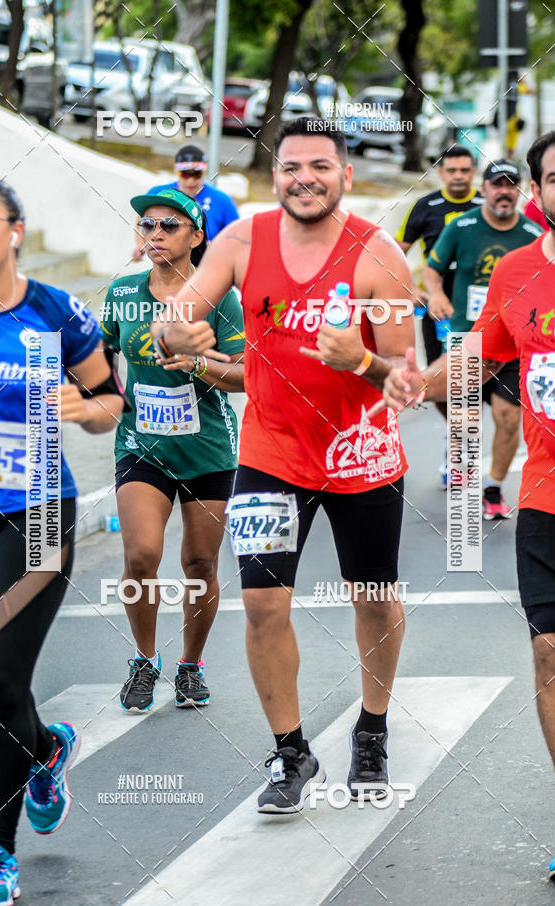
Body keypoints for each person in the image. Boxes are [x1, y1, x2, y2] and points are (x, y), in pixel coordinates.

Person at [150, 118, 415, 814]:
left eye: (321, 166)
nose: (306, 179)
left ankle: (372, 728)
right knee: (264, 604)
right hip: (270, 454)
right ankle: (291, 752)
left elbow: (409, 380)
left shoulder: (378, 254)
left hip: (361, 456)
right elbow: (171, 320)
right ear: (275, 178)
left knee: (373, 597)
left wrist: (361, 359)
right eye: (292, 166)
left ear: (345, 176)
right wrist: (176, 333)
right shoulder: (241, 241)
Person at [377, 128, 555, 883]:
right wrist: (405, 384)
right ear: (539, 193)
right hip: (546, 495)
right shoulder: (518, 271)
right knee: (548, 652)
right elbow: (477, 357)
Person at [0, 176, 124, 906]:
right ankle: (46, 747)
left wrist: (83, 410)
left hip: (39, 511)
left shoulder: (56, 311)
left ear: (15, 231)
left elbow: (111, 399)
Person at [102, 187, 245, 712]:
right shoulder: (122, 292)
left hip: (208, 447)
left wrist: (200, 365)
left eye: (168, 225)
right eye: (147, 225)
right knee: (141, 556)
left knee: (200, 562)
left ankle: (191, 664)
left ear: (196, 236)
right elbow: (100, 354)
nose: (156, 233)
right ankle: (144, 660)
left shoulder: (219, 297)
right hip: (141, 444)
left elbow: (247, 374)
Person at [422, 159, 543, 519]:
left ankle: (493, 489)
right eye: (497, 184)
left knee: (508, 417)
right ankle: (459, 463)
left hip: (515, 342)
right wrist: (436, 295)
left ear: (520, 190)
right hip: (469, 338)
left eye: (511, 185)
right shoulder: (462, 226)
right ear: (485, 188)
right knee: (463, 414)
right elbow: (432, 270)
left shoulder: (532, 234)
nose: (504, 192)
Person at [395, 145, 482, 484]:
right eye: (452, 170)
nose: (458, 176)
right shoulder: (425, 206)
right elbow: (392, 254)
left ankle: (464, 452)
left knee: (477, 386)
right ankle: (457, 440)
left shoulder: (488, 205)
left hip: (480, 312)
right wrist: (409, 290)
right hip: (438, 312)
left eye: (465, 170)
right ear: (441, 173)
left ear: (473, 172)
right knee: (440, 383)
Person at [131, 145, 239, 260]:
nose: (190, 180)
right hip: (167, 264)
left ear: (204, 171)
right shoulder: (158, 193)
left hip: (208, 264)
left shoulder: (223, 200)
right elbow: (142, 218)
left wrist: (219, 248)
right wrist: (140, 245)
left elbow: (238, 235)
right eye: (185, 174)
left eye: (197, 174)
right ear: (176, 170)